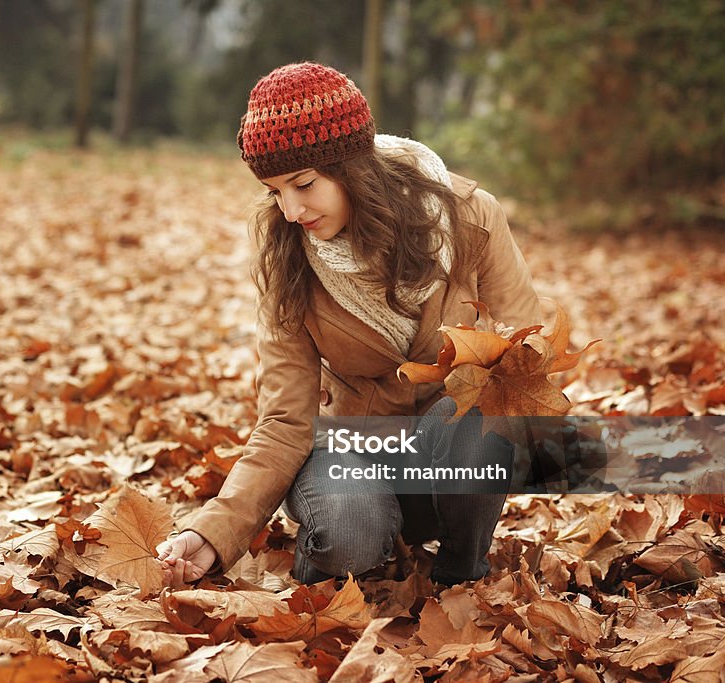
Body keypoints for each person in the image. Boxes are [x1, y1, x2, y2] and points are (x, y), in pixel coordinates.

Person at [157, 62, 540, 588]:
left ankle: (461, 573)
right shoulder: (287, 257)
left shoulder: (471, 218)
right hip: (347, 449)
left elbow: (529, 354)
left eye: (304, 184)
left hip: (443, 459)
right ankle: (333, 558)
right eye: (275, 192)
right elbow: (284, 420)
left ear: (354, 165)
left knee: (487, 401)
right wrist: (214, 533)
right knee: (350, 532)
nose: (291, 210)